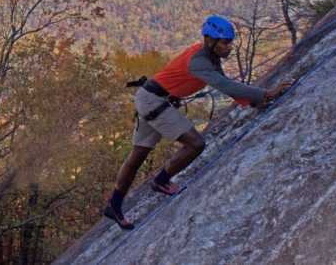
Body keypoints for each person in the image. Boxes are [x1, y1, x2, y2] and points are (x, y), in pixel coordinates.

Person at [103, 15, 295, 229]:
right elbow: (226, 86)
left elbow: (226, 84)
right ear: (209, 40)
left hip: (150, 97)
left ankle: (115, 205)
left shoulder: (211, 58)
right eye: (225, 43)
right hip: (154, 101)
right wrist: (265, 93)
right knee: (196, 144)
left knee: (138, 155)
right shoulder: (199, 61)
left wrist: (253, 102)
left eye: (230, 42)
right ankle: (161, 181)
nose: (229, 48)